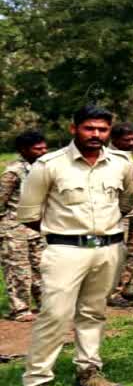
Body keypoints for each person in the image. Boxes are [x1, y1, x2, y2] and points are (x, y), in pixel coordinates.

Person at [14, 106, 133, 386]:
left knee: (94, 312)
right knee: (55, 314)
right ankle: (35, 382)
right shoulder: (49, 165)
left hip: (108, 248)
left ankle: (89, 371)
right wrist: (65, 234)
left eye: (102, 130)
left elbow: (128, 200)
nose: (96, 135)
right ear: (74, 129)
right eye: (89, 128)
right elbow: (29, 214)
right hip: (65, 250)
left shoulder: (121, 163)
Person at [0, 130, 49, 321]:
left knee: (42, 268)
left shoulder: (42, 169)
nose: (43, 152)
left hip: (37, 228)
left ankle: (45, 304)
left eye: (45, 148)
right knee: (18, 270)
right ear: (24, 150)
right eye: (38, 149)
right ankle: (20, 309)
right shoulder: (13, 172)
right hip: (14, 230)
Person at [107, 122, 133, 308]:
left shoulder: (127, 156)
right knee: (117, 254)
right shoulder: (108, 158)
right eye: (126, 139)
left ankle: (125, 286)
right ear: (114, 140)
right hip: (117, 214)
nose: (131, 143)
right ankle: (112, 293)